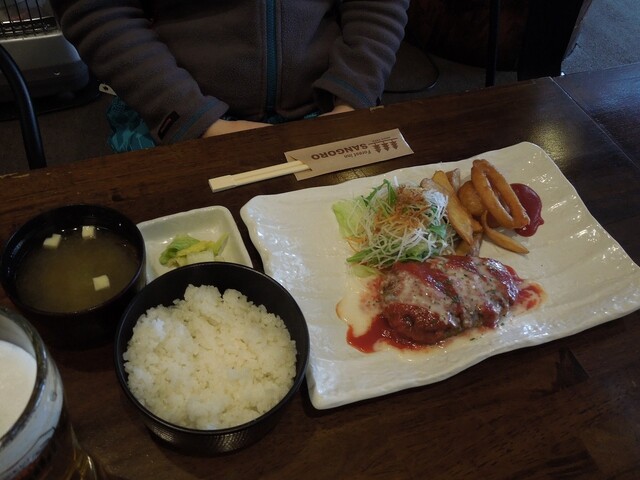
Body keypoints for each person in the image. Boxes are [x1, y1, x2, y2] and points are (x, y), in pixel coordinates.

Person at [50, 1, 410, 151]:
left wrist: (353, 94)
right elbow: (97, 10)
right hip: (180, 111)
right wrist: (194, 118)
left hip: (331, 105)